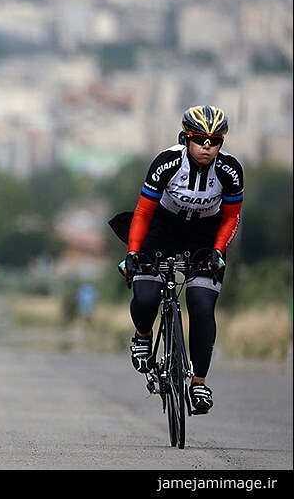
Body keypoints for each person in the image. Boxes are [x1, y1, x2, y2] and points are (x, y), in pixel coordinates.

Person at [108, 105, 244, 414]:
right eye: (199, 139)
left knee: (201, 303)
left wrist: (218, 250)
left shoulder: (230, 170)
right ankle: (143, 336)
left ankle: (198, 382)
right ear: (186, 138)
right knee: (145, 295)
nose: (207, 146)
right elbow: (143, 212)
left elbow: (231, 217)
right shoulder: (167, 163)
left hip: (205, 233)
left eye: (215, 140)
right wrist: (132, 253)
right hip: (163, 228)